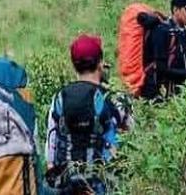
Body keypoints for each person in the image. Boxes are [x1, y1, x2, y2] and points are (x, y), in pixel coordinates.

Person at [45, 35, 133, 194]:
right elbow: (133, 138)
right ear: (100, 63)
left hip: (67, 186)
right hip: (103, 183)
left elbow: (51, 149)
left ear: (73, 66)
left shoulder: (59, 98)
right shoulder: (115, 99)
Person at [140, 0, 186, 101]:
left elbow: (183, 65)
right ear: (175, 10)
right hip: (158, 97)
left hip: (178, 97)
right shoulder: (161, 31)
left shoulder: (185, 33)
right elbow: (161, 69)